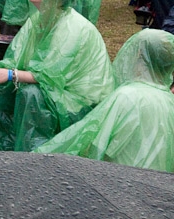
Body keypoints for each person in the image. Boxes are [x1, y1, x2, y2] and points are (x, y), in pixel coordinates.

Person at [0, 0, 114, 152]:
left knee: (31, 95)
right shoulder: (38, 20)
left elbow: (50, 76)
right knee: (1, 89)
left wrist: (11, 74)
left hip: (79, 100)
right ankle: (5, 153)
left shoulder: (72, 27)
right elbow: (16, 56)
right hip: (53, 86)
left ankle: (34, 156)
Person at [36, 29, 174, 172]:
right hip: (155, 188)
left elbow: (92, 143)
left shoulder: (126, 97)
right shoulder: (170, 101)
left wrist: (40, 159)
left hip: (118, 182)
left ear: (138, 54)